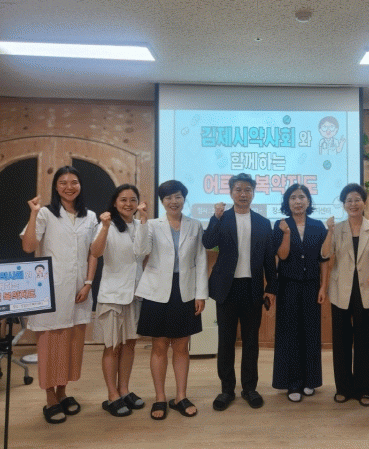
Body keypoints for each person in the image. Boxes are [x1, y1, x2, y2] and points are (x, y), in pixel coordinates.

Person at [21, 166, 98, 424]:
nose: (69, 187)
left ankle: (63, 392)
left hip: (79, 291)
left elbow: (94, 253)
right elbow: (29, 245)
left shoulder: (90, 217)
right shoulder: (45, 213)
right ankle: (50, 398)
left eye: (74, 182)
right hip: (51, 290)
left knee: (72, 346)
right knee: (50, 346)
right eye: (63, 182)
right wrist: (33, 213)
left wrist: (88, 284)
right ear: (56, 187)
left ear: (80, 186)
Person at [133, 180, 208, 420]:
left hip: (185, 291)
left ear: (184, 198)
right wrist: (142, 220)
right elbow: (140, 251)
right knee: (159, 346)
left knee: (181, 346)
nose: (173, 201)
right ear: (162, 201)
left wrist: (201, 294)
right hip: (157, 291)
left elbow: (201, 260)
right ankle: (160, 397)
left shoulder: (195, 225)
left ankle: (180, 397)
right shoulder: (152, 225)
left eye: (178, 196)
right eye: (168, 198)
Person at [202, 173, 277, 411]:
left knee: (251, 341)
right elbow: (207, 242)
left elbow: (269, 259)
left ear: (253, 193)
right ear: (231, 192)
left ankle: (249, 388)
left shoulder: (263, 223)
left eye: (247, 190)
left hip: (252, 288)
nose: (243, 194)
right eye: (238, 189)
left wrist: (271, 287)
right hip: (227, 288)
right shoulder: (222, 218)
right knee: (225, 341)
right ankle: (227, 390)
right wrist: (215, 218)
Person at [321, 183, 369, 406]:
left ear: (364, 202)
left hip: (367, 289)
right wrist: (329, 231)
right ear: (343, 205)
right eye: (348, 200)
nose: (353, 204)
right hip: (341, 291)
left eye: (357, 199)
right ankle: (343, 388)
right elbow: (325, 254)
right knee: (341, 342)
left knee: (364, 341)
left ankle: (365, 389)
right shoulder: (337, 229)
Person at [90, 184, 145, 417]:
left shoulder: (141, 226)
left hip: (135, 294)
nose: (128, 204)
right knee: (112, 346)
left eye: (133, 200)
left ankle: (124, 390)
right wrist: (104, 227)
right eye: (123, 200)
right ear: (115, 202)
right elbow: (95, 252)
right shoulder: (107, 225)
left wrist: (144, 221)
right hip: (112, 295)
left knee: (130, 345)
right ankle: (112, 394)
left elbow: (145, 255)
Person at [271, 184, 329, 402]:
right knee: (290, 334)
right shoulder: (280, 225)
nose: (298, 201)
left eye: (302, 197)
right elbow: (282, 256)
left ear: (308, 201)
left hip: (312, 286)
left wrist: (323, 287)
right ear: (287, 202)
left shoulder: (318, 226)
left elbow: (324, 259)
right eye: (293, 197)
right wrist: (286, 234)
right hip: (288, 286)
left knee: (311, 332)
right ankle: (293, 383)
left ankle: (310, 380)